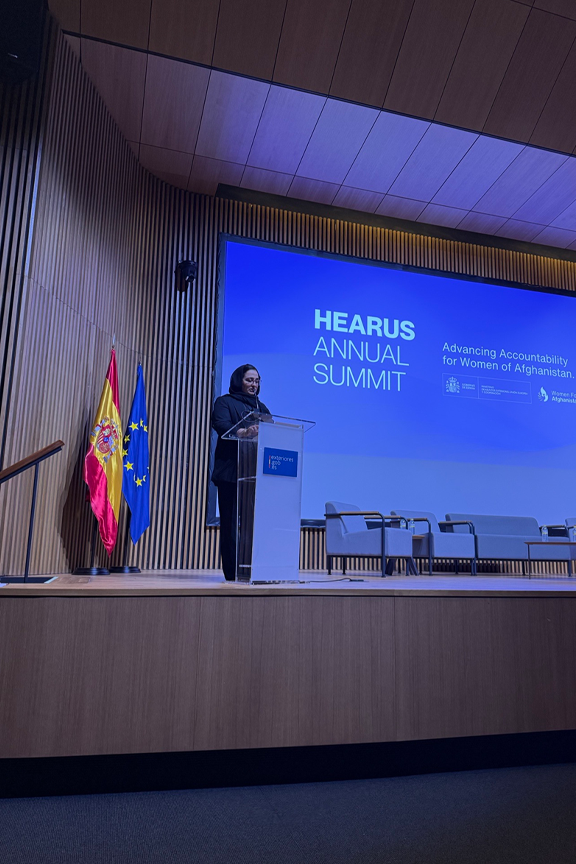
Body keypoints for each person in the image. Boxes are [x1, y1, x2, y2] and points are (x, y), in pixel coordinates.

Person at [211, 365, 271, 580]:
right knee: (229, 525)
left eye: (257, 380)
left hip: (255, 474)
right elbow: (221, 424)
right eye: (249, 380)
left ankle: (252, 568)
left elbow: (271, 433)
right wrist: (243, 432)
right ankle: (232, 572)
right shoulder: (224, 402)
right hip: (230, 472)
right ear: (239, 380)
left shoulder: (261, 407)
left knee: (253, 524)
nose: (254, 384)